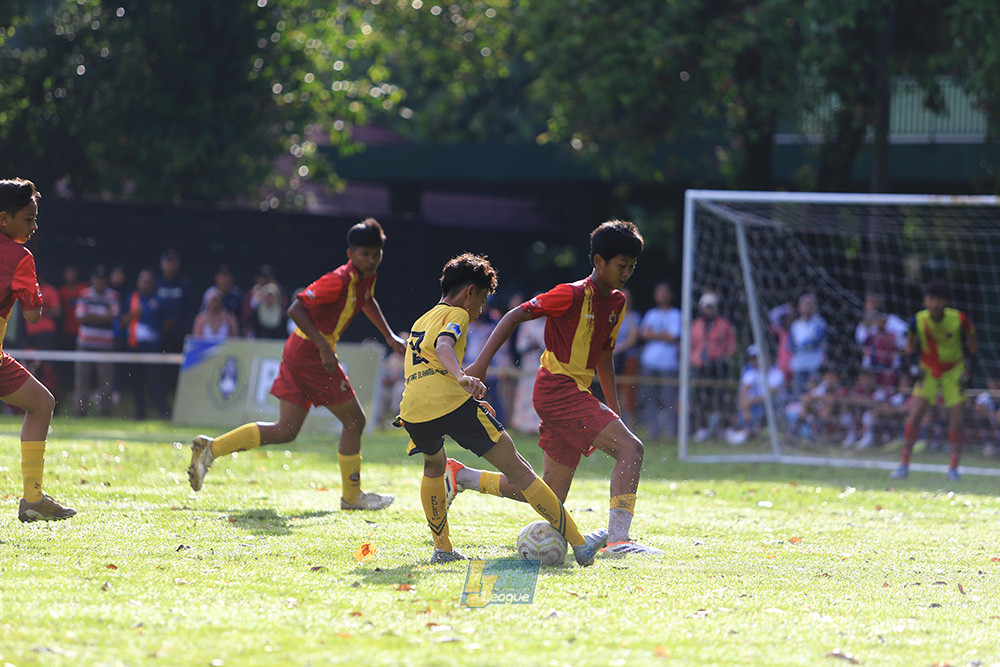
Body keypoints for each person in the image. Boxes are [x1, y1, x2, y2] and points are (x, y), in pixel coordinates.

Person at [458, 220, 663, 556]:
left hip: (571, 393)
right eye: (621, 265)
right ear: (599, 261)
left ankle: (462, 477)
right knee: (632, 449)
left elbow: (605, 354)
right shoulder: (570, 293)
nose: (627, 273)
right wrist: (480, 365)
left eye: (632, 267)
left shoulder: (617, 302)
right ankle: (619, 540)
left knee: (548, 495)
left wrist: (614, 408)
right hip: (557, 389)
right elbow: (512, 316)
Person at [396, 253, 608, 565]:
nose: (480, 309)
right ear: (470, 292)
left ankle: (442, 549)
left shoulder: (421, 320)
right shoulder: (457, 314)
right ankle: (580, 543)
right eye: (482, 300)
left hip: (414, 409)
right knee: (520, 470)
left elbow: (429, 368)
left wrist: (462, 390)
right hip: (449, 404)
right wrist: (462, 378)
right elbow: (443, 346)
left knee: (433, 467)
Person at [186, 218, 407, 510]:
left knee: (286, 430)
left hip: (300, 351)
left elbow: (367, 299)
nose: (371, 260)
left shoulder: (366, 277)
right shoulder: (338, 280)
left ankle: (210, 449)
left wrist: (389, 335)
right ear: (350, 254)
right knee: (355, 421)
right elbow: (295, 308)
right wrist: (323, 346)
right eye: (365, 254)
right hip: (310, 355)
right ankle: (352, 497)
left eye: (376, 254)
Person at [0, 178, 75, 521]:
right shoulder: (20, 257)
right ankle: (31, 498)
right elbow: (33, 315)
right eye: (28, 219)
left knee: (41, 402)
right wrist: (33, 292)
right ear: (4, 219)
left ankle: (34, 499)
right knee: (42, 404)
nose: (34, 226)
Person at [891, 279, 977, 482]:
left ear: (947, 302)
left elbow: (972, 338)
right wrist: (911, 366)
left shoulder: (959, 319)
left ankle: (953, 469)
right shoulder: (918, 321)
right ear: (925, 301)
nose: (935, 303)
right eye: (931, 299)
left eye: (939, 299)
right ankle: (903, 465)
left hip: (953, 371)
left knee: (956, 418)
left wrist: (971, 369)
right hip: (928, 371)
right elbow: (910, 343)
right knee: (915, 414)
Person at [122, 269, 170, 420]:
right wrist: (133, 314)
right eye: (142, 281)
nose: (145, 284)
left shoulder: (159, 299)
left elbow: (168, 322)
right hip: (134, 347)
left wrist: (156, 332)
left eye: (148, 281)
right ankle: (139, 413)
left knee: (157, 381)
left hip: (153, 348)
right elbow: (121, 322)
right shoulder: (132, 298)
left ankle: (163, 412)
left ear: (153, 283)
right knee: (136, 382)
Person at [689, 291, 737, 442]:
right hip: (700, 366)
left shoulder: (723, 324)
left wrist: (726, 357)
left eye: (711, 307)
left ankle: (725, 428)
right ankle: (702, 428)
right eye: (706, 307)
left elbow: (731, 343)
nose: (709, 310)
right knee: (701, 398)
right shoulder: (696, 325)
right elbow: (689, 345)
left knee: (721, 397)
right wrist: (693, 359)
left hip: (718, 365)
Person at [73, 265, 120, 417]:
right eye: (97, 279)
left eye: (102, 279)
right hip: (85, 344)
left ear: (106, 281)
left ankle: (105, 412)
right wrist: (104, 317)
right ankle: (80, 412)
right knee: (82, 379)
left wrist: (91, 317)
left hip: (105, 346)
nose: (99, 282)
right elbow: (81, 317)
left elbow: (113, 317)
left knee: (106, 381)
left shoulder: (112, 295)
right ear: (93, 280)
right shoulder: (85, 294)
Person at [638, 281, 682, 439]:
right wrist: (662, 334)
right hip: (649, 362)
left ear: (670, 295)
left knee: (669, 398)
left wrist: (654, 333)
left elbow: (673, 336)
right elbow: (643, 334)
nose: (662, 295)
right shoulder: (651, 314)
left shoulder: (676, 314)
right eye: (659, 292)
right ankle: (653, 430)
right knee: (649, 397)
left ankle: (670, 431)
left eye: (665, 292)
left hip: (669, 364)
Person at [724, 344, 785, 446]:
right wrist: (745, 409)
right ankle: (743, 430)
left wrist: (750, 401)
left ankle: (745, 432)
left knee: (758, 407)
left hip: (773, 404)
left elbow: (770, 395)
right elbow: (743, 393)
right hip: (753, 404)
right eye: (755, 359)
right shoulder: (751, 373)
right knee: (745, 407)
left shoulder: (777, 374)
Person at [612, 287, 641, 429]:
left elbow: (632, 339)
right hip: (613, 358)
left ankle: (630, 425)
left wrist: (616, 349)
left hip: (628, 358)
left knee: (628, 393)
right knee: (613, 392)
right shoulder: (612, 315)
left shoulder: (634, 317)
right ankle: (614, 425)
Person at [788, 292, 827, 397]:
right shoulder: (795, 325)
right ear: (799, 307)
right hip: (798, 366)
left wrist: (800, 344)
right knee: (799, 395)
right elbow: (790, 345)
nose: (807, 307)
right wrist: (803, 344)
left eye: (809, 304)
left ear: (815, 306)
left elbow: (815, 341)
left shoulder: (820, 323)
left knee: (815, 394)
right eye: (804, 304)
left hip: (814, 365)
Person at [156, 249, 193, 354]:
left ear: (178, 265)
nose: (170, 267)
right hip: (159, 334)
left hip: (179, 334)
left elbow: (188, 309)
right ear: (162, 265)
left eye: (172, 264)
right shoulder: (156, 283)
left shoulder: (185, 284)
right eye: (167, 263)